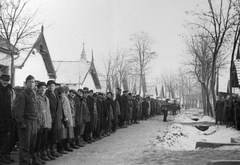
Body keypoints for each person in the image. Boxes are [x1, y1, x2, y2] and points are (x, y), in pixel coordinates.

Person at [14, 75, 39, 165]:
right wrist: (21, 122)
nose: (31, 84)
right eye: (30, 82)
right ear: (26, 83)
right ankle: (24, 162)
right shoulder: (22, 94)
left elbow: (36, 108)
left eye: (33, 82)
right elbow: (18, 110)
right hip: (26, 121)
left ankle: (29, 161)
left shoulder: (34, 94)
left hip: (33, 121)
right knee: (25, 145)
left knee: (32, 144)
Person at [45, 80, 63, 160]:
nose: (51, 87)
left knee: (55, 135)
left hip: (57, 118)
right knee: (50, 136)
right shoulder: (46, 95)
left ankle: (53, 150)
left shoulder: (55, 94)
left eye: (52, 85)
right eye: (49, 85)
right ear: (47, 86)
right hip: (51, 118)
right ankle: (48, 152)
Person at [35, 82, 52, 162]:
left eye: (44, 88)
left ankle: (42, 154)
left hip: (46, 123)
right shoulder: (36, 98)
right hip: (39, 123)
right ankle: (36, 156)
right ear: (38, 88)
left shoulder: (46, 98)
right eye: (41, 87)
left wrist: (50, 122)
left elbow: (48, 111)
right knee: (38, 141)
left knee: (44, 140)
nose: (42, 89)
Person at [0, 74, 15, 164]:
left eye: (7, 80)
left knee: (7, 138)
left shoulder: (10, 90)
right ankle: (2, 156)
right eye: (3, 80)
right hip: (1, 117)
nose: (5, 81)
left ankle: (5, 155)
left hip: (8, 117)